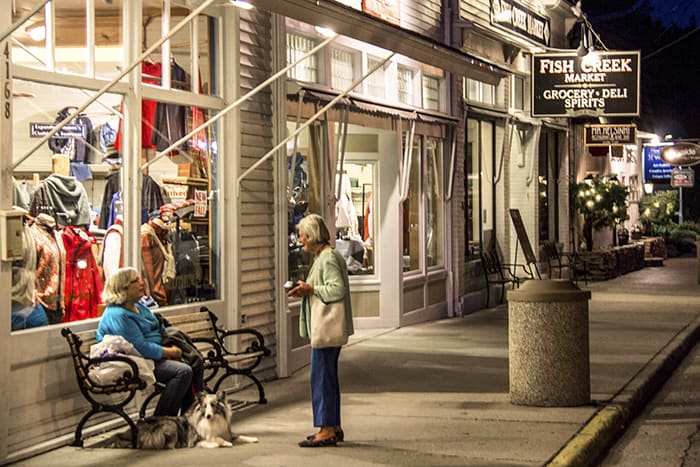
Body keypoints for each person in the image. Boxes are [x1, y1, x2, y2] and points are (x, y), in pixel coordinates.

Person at [97, 266, 203, 416]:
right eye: (136, 281)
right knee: (182, 371)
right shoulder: (118, 315)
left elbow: (157, 326)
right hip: (133, 361)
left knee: (194, 360)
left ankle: (191, 418)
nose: (142, 283)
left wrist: (170, 342)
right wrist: (170, 351)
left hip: (151, 356)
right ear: (123, 288)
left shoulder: (138, 306)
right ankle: (161, 421)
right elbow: (139, 347)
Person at [287, 214, 354, 447]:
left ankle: (325, 429)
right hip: (327, 329)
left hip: (326, 329)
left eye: (303, 235)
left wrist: (311, 288)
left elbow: (336, 290)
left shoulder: (326, 259)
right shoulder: (327, 256)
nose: (301, 240)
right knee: (328, 378)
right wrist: (307, 290)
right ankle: (332, 426)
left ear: (313, 235)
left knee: (322, 378)